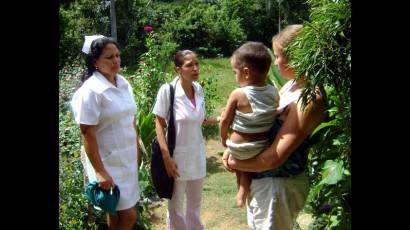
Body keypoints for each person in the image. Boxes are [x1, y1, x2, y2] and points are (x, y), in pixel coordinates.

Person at [222, 25, 327, 230]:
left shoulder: (312, 98)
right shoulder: (292, 86)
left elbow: (275, 157)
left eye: (279, 55)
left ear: (297, 57)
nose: (276, 62)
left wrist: (236, 161)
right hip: (266, 183)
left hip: (278, 186)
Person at [71, 35, 140, 229]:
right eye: (109, 57)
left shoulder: (124, 83)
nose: (116, 60)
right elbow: (87, 133)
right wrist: (100, 172)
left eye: (117, 55)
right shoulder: (91, 91)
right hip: (107, 162)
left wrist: (136, 150)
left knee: (115, 210)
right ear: (95, 62)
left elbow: (130, 120)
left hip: (127, 160)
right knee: (129, 215)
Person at [152, 50, 219, 230]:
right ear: (178, 69)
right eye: (190, 65)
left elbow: (198, 118)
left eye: (197, 64)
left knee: (195, 205)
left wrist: (222, 118)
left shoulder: (198, 89)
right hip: (176, 157)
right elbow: (159, 123)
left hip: (196, 154)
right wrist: (166, 157)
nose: (195, 68)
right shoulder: (168, 90)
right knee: (176, 207)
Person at [219, 41, 280, 208]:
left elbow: (225, 120)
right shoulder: (274, 92)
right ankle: (243, 192)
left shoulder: (239, 94)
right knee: (247, 166)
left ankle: (241, 190)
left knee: (240, 164)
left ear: (245, 72)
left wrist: (223, 138)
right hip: (262, 146)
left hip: (240, 147)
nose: (234, 77)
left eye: (234, 72)